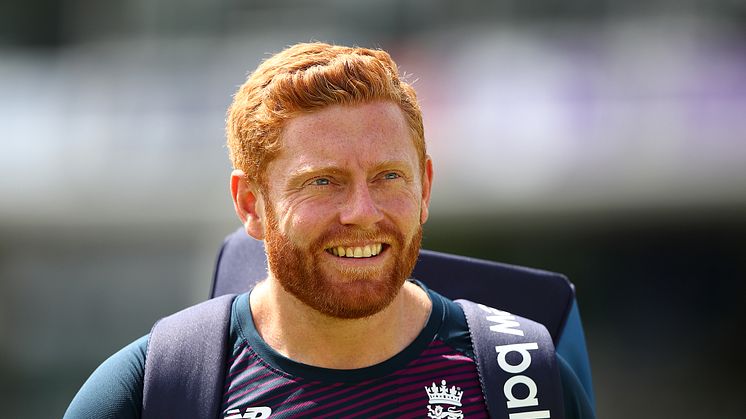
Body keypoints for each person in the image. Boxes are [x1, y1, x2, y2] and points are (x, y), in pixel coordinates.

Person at [65, 42, 595, 418]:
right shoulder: (153, 390)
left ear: (425, 188)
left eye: (389, 177)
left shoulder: (522, 383)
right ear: (251, 204)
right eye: (322, 182)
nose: (362, 212)